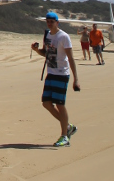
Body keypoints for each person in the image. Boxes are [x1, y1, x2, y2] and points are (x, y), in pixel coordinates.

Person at [31, 11, 80, 147]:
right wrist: (36, 50)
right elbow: (46, 53)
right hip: (50, 73)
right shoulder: (47, 35)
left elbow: (70, 58)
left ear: (57, 22)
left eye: (52, 21)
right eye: (48, 21)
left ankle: (64, 136)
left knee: (59, 104)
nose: (49, 23)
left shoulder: (64, 36)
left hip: (61, 74)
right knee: (46, 103)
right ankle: (68, 126)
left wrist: (76, 78)